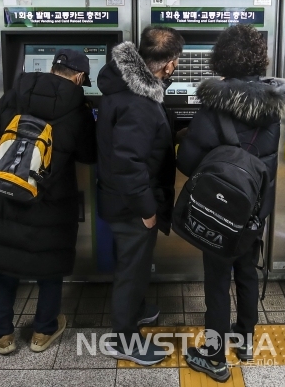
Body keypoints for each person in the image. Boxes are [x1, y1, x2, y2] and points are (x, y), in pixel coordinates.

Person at [176, 25, 285, 381]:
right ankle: (244, 339)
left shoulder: (213, 106)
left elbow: (186, 162)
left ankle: (214, 356)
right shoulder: (274, 105)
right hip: (257, 206)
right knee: (246, 269)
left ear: (222, 59)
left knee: (216, 279)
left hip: (220, 208)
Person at [0, 50, 97, 354]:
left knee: (6, 261)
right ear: (79, 77)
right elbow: (89, 155)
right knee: (48, 264)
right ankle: (43, 331)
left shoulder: (17, 92)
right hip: (51, 196)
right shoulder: (78, 106)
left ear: (52, 69)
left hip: (8, 187)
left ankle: (0, 333)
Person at [96, 26, 184, 365]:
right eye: (174, 62)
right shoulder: (138, 104)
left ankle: (135, 309)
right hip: (132, 204)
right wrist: (148, 210)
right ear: (167, 64)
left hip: (120, 197)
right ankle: (124, 338)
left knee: (134, 265)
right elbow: (129, 163)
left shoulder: (124, 87)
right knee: (132, 270)